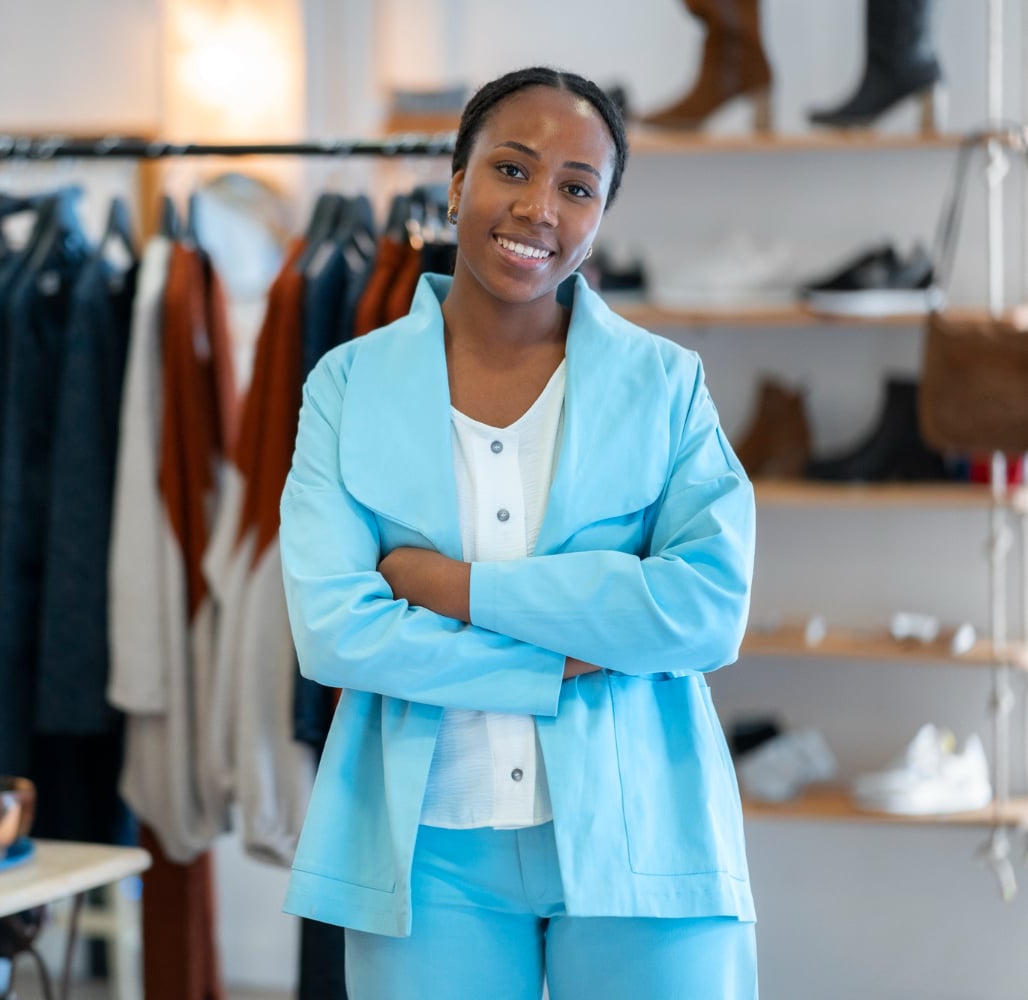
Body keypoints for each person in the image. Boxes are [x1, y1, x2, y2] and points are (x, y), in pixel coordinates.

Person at [277, 66, 758, 999]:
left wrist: (449, 587)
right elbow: (335, 632)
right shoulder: (348, 384)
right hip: (427, 854)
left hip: (647, 836)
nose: (539, 208)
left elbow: (705, 609)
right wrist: (560, 657)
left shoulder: (665, 385)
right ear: (457, 184)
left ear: (600, 216)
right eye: (512, 169)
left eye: (577, 188)